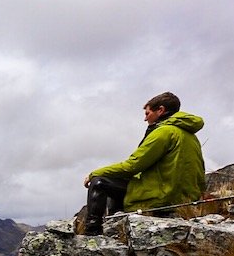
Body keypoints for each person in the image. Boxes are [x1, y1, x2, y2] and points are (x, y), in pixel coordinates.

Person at [82, 92, 205, 235]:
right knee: (122, 184)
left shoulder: (164, 132)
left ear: (160, 110)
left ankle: (92, 232)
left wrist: (93, 174)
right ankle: (117, 225)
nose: (145, 118)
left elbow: (132, 166)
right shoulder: (190, 135)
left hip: (163, 197)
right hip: (185, 197)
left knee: (100, 183)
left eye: (147, 113)